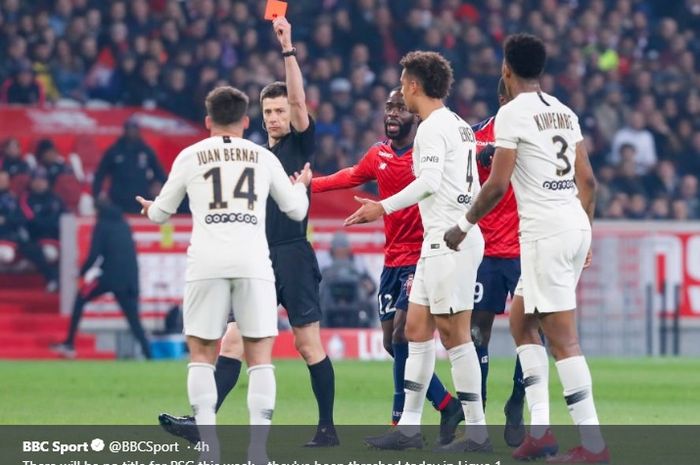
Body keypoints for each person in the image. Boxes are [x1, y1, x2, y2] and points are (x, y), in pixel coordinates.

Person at [158, 17, 339, 448]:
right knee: (234, 341)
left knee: (307, 343)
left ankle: (328, 427)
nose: (276, 117)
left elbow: (299, 101)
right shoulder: (257, 155)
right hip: (258, 256)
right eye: (269, 112)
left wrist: (288, 48)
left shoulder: (298, 144)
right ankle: (202, 422)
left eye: (281, 111)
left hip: (292, 252)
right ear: (258, 115)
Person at [444, 34, 607, 463]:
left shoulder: (511, 114)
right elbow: (588, 182)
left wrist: (463, 225)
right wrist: (585, 233)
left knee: (564, 339)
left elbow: (497, 184)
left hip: (544, 234)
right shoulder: (563, 112)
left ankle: (593, 446)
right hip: (572, 225)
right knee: (521, 322)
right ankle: (540, 432)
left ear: (506, 69)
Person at [136, 85, 311, 463]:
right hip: (253, 264)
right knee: (261, 356)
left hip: (206, 265)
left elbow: (162, 212)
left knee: (202, 354)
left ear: (207, 121)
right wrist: (301, 187)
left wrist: (150, 209)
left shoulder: (190, 155)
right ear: (247, 121)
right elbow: (296, 211)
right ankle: (257, 453)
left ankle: (209, 450)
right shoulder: (263, 157)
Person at [345, 51, 490, 452]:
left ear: (413, 85)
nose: (401, 92)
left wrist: (382, 206)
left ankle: (477, 431)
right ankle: (409, 426)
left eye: (403, 83)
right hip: (441, 238)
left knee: (454, 333)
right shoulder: (458, 125)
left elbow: (426, 182)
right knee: (414, 330)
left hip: (450, 241)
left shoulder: (429, 129)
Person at [312, 87, 465, 444]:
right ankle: (445, 404)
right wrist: (309, 185)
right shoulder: (378, 153)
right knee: (391, 343)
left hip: (422, 255)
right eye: (388, 107)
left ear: (414, 113)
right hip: (392, 259)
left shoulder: (427, 152)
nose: (393, 113)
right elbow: (349, 174)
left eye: (400, 107)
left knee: (402, 335)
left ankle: (401, 425)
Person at [470, 79, 527, 447]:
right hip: (485, 252)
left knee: (531, 331)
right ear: (503, 99)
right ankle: (479, 406)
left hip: (524, 249)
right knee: (478, 331)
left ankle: (517, 403)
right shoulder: (474, 137)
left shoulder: (533, 140)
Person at [50, 199, 151, 359]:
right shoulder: (124, 224)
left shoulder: (102, 225)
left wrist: (81, 274)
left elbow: (93, 255)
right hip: (128, 279)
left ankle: (69, 343)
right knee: (134, 320)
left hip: (109, 276)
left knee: (81, 298)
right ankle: (149, 354)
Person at [0, 170, 58, 292]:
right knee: (6, 255)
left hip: (19, 236)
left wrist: (6, 219)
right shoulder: (24, 198)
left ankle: (53, 279)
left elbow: (20, 218)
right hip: (10, 237)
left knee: (40, 251)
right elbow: (23, 219)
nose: (2, 182)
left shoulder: (14, 198)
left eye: (5, 180)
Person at [92, 119, 166, 214]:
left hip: (141, 199)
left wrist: (157, 186)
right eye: (129, 129)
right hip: (118, 200)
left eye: (134, 129)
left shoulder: (146, 151)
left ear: (138, 131)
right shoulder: (114, 151)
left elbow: (160, 173)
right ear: (125, 131)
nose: (132, 132)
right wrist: (97, 194)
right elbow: (100, 174)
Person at [319, 231, 377, 328]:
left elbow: (371, 285)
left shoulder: (358, 263)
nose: (341, 252)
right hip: (330, 300)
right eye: (338, 249)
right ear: (333, 250)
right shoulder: (324, 262)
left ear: (348, 249)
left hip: (355, 300)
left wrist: (368, 286)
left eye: (343, 248)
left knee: (372, 304)